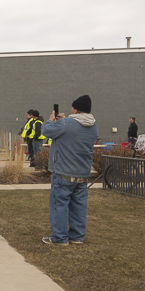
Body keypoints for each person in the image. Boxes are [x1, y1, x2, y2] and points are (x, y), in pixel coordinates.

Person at [41, 95, 98, 244]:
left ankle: (60, 238)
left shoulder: (66, 124)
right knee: (79, 205)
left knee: (59, 205)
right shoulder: (93, 126)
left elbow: (46, 131)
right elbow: (73, 133)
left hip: (64, 172)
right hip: (83, 172)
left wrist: (51, 119)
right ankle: (77, 236)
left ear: (76, 109)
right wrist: (65, 121)